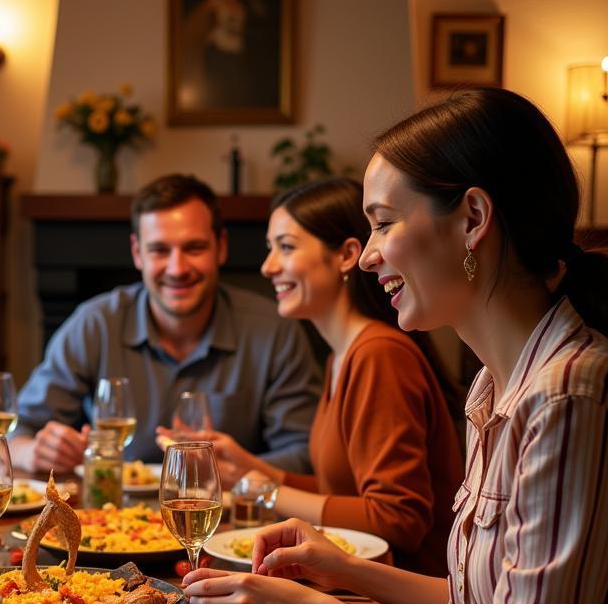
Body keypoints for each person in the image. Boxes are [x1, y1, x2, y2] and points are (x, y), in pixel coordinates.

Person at [182, 89, 608, 604]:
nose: (368, 255)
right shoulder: (495, 388)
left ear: (473, 219)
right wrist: (342, 567)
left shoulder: (569, 396)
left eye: (381, 222)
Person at [172, 177, 463, 576]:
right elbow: (342, 494)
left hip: (399, 601)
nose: (267, 266)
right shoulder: (341, 356)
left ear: (345, 255)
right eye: (269, 248)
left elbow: (399, 519)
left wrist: (265, 491)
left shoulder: (379, 355)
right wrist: (251, 471)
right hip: (352, 583)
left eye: (286, 247)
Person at [10, 174, 320, 476]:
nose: (177, 268)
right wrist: (35, 450)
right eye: (159, 250)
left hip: (227, 518)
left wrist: (237, 467)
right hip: (114, 518)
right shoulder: (95, 324)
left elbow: (304, 453)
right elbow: (16, 433)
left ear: (221, 247)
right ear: (137, 253)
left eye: (194, 248)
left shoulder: (275, 331)